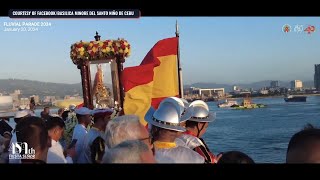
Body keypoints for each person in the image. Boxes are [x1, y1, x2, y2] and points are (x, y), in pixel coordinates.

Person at [145, 97, 205, 163]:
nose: (185, 126)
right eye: (183, 124)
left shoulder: (140, 151)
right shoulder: (194, 158)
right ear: (177, 130)